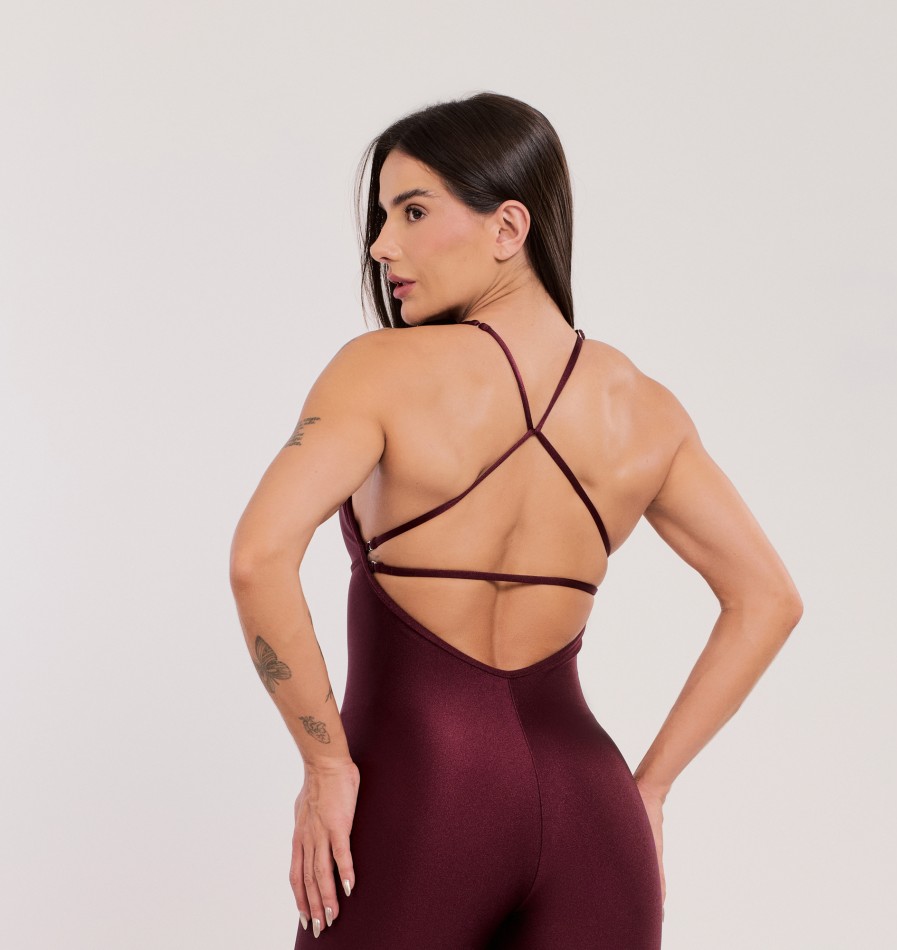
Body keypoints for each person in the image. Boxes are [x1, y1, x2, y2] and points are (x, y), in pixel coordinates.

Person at [229, 91, 804, 948]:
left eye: (413, 211)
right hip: (592, 812)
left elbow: (258, 557)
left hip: (421, 805)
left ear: (508, 227)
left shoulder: (379, 371)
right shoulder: (645, 409)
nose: (381, 245)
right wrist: (647, 790)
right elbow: (769, 599)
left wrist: (325, 766)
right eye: (382, 217)